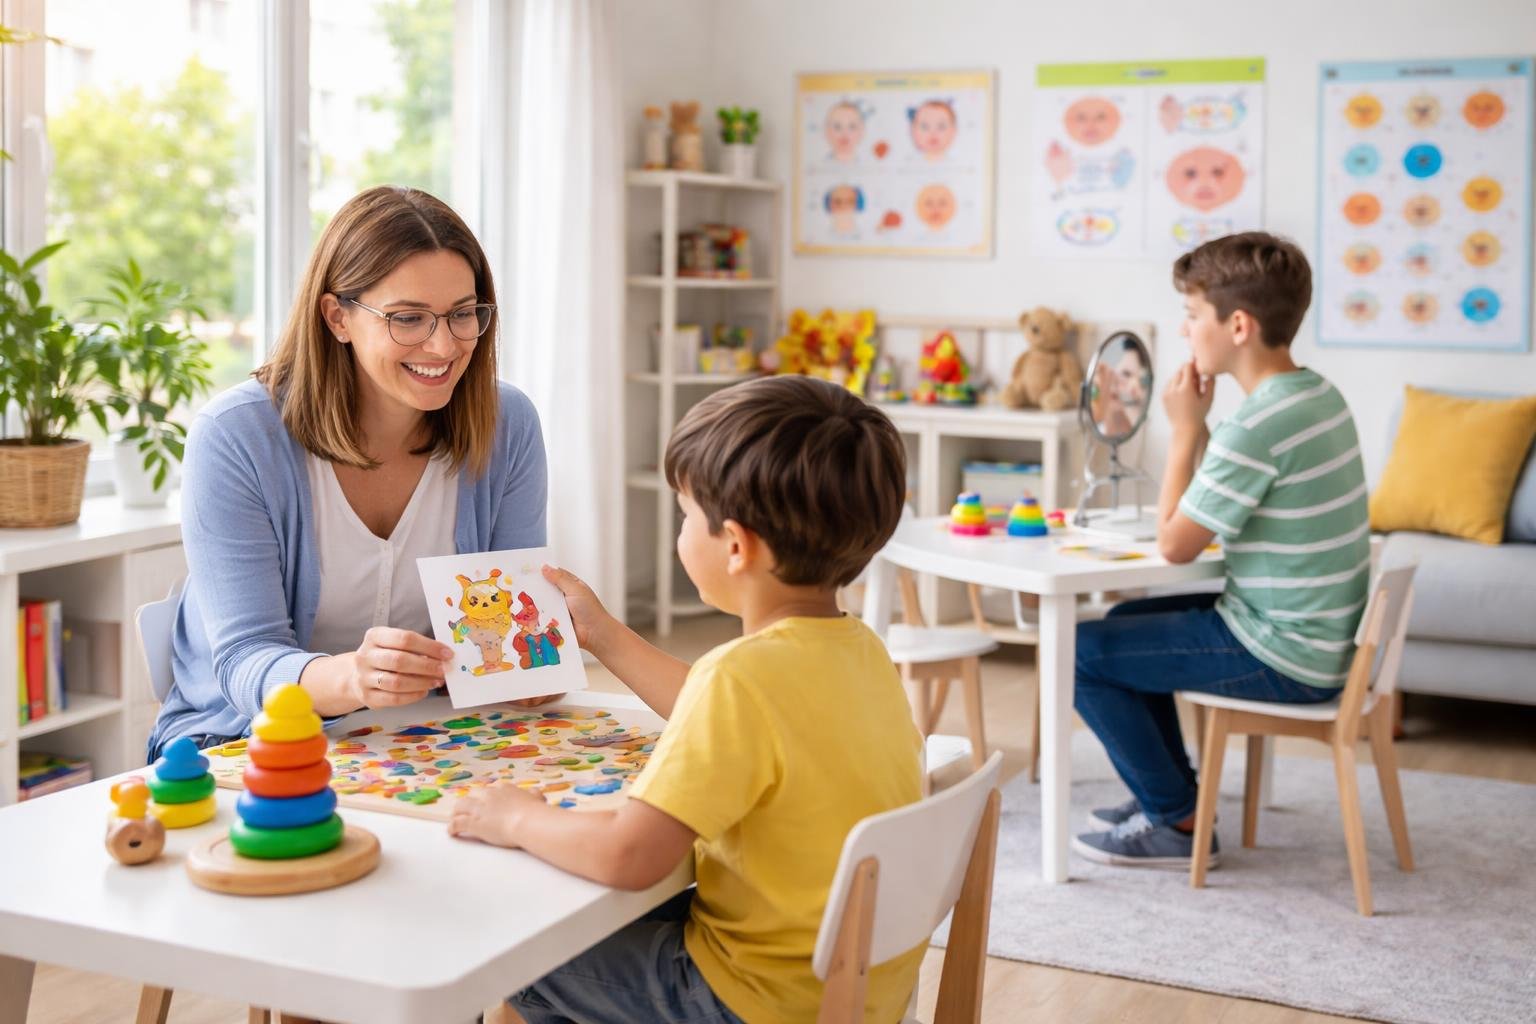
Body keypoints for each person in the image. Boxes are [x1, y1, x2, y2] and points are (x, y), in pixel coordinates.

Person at [449, 376, 925, 1023]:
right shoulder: (857, 650)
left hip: (749, 1003)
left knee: (516, 948)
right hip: (847, 985)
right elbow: (726, 716)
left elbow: (629, 856)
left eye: (685, 514)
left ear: (735, 545)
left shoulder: (741, 679)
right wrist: (604, 635)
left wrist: (518, 819)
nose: (680, 531)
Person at [147, 186, 549, 760]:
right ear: (337, 317)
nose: (444, 345)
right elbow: (244, 660)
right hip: (248, 741)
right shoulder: (235, 437)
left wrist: (528, 663)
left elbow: (508, 625)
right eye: (408, 318)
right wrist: (353, 680)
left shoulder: (508, 423)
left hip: (428, 737)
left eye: (463, 314)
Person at [1073, 232, 1370, 867]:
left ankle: (1177, 823)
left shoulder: (1255, 425)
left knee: (1080, 653)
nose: (1185, 332)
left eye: (1192, 315)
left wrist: (1184, 431)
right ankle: (1174, 794)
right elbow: (1220, 502)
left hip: (1281, 653)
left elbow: (1175, 544)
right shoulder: (1314, 396)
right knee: (1124, 625)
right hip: (1312, 640)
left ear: (1237, 325)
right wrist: (1201, 430)